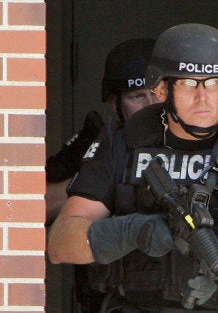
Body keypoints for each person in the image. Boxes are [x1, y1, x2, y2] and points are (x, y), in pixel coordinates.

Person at [47, 23, 218, 312]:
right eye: (189, 83)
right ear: (161, 88)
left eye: (213, 82)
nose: (202, 97)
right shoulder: (123, 141)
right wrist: (133, 231)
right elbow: (61, 243)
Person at [45, 37, 158, 225]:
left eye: (159, 93)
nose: (151, 105)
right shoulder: (103, 141)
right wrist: (101, 179)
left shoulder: (198, 135)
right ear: (115, 104)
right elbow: (39, 206)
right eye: (137, 96)